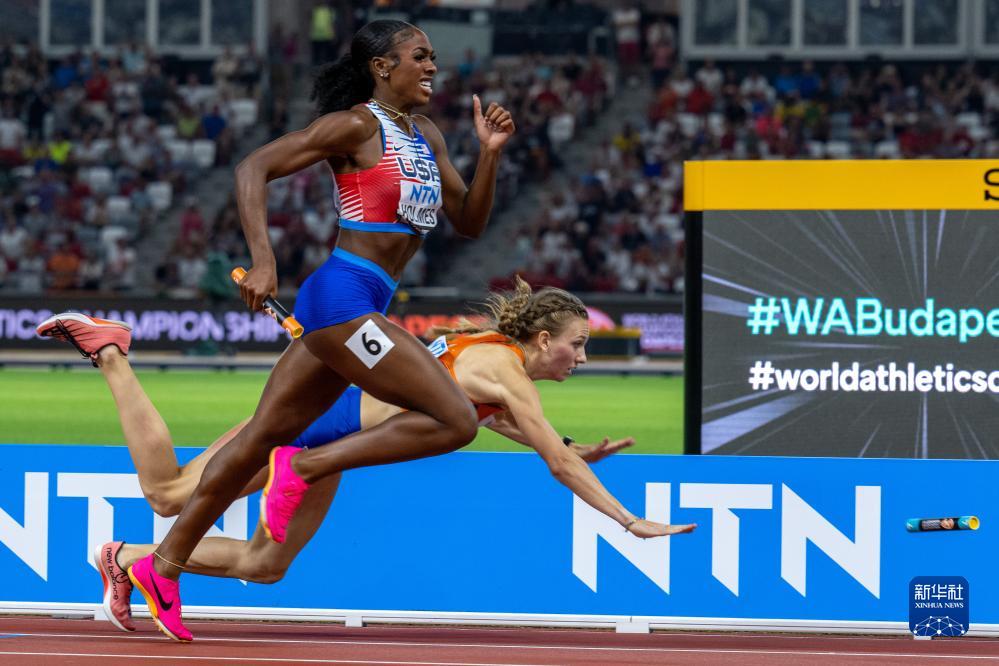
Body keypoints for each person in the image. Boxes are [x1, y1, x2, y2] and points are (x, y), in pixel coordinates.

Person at [56, 20, 514, 643]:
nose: (433, 66)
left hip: (360, 303)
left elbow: (470, 221)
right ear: (382, 67)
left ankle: (161, 568)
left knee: (258, 441)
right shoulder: (356, 126)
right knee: (456, 419)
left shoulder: (426, 134)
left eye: (432, 56)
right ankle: (307, 466)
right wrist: (263, 260)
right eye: (420, 56)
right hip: (343, 300)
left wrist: (489, 153)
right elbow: (253, 167)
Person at [36, 280, 696, 635]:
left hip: (330, 446)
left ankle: (128, 557)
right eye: (577, 345)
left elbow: (503, 427)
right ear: (544, 339)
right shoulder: (503, 366)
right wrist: (628, 521)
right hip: (307, 426)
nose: (582, 358)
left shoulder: (494, 366)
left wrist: (574, 447)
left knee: (266, 565)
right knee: (167, 493)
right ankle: (112, 351)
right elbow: (554, 462)